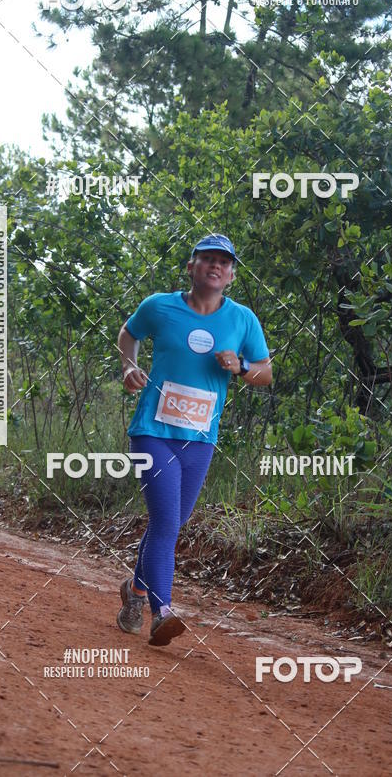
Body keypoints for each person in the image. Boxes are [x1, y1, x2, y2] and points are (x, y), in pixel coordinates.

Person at [116, 234, 272, 646]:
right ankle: (161, 612)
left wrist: (240, 367)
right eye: (207, 259)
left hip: (200, 439)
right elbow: (127, 333)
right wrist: (129, 367)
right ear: (191, 266)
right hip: (152, 431)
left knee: (172, 522)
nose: (215, 266)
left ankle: (134, 591)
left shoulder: (243, 321)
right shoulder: (159, 307)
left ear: (232, 274)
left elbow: (265, 373)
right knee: (167, 521)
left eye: (224, 262)